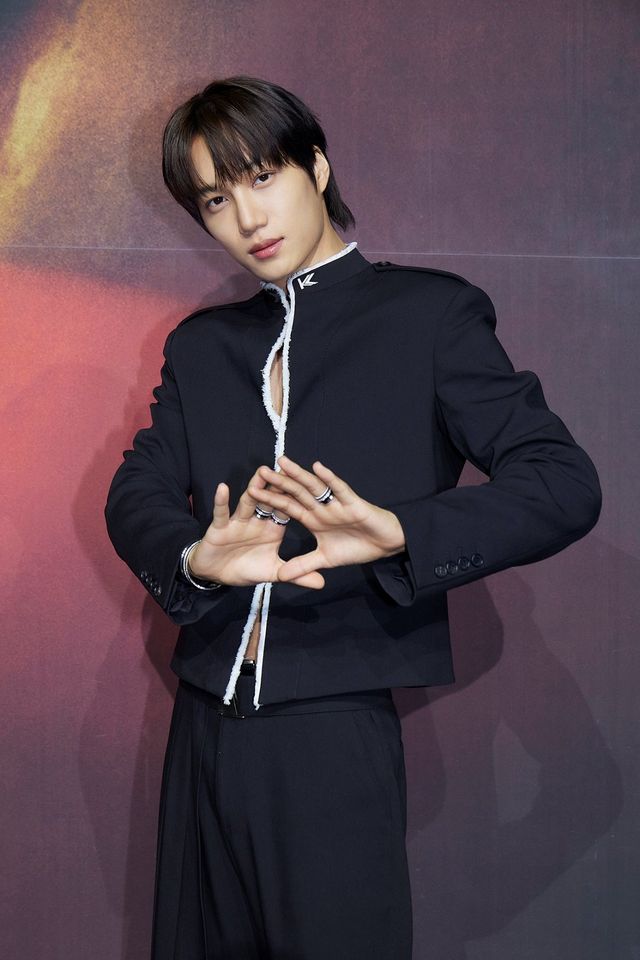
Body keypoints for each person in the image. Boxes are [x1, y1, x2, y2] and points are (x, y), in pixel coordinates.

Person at [104, 75, 602, 960]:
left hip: (331, 731)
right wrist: (194, 559)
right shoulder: (201, 346)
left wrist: (404, 533)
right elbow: (135, 492)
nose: (246, 218)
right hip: (203, 723)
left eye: (262, 178)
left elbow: (563, 482)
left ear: (317, 165)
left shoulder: (429, 315)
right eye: (215, 200)